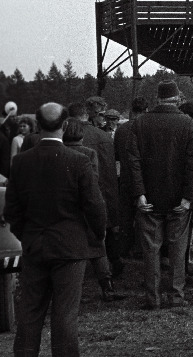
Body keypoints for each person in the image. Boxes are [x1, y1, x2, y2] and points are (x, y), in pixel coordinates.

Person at [4, 103, 107, 356]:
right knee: (65, 315)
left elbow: (12, 211)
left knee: (29, 313)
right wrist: (96, 234)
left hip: (35, 245)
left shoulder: (21, 162)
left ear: (38, 126)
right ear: (64, 126)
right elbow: (95, 205)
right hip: (70, 248)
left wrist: (26, 235)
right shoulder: (80, 161)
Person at [128, 80, 193, 309]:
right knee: (178, 249)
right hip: (178, 199)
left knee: (151, 251)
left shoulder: (139, 123)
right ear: (177, 98)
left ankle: (153, 298)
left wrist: (139, 193)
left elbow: (133, 162)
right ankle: (177, 295)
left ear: (158, 98)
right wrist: (188, 197)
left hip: (148, 199)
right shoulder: (188, 123)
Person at [67, 101, 124, 297]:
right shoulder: (104, 136)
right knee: (98, 242)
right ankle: (107, 283)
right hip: (100, 196)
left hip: (72, 201)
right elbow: (110, 172)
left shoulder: (64, 141)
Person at [114, 97, 148, 258]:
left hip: (126, 178)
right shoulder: (147, 127)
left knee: (126, 218)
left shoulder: (121, 129)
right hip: (145, 178)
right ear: (146, 110)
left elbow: (116, 155)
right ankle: (143, 249)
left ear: (131, 111)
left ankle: (123, 250)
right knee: (146, 217)